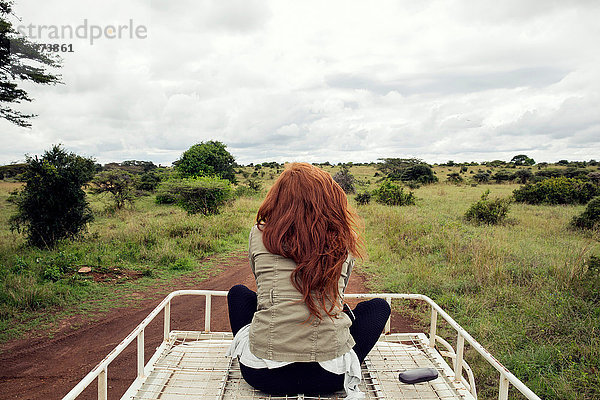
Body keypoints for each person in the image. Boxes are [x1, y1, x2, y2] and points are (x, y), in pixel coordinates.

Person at [226, 162, 390, 399]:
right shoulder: (344, 237)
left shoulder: (259, 233)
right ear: (329, 198)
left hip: (261, 375)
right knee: (377, 308)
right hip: (331, 378)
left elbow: (261, 284)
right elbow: (339, 292)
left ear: (278, 197)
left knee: (239, 294)